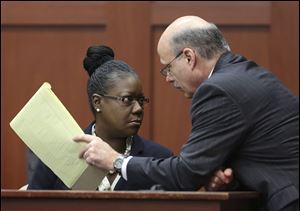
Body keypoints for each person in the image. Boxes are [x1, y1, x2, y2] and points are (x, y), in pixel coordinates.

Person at [73, 16, 299, 211]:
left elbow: (185, 175)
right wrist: (226, 179)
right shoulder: (243, 73)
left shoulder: (217, 90)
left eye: (168, 68)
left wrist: (116, 161)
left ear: (189, 57)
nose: (168, 78)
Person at [27, 44, 231, 191]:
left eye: (141, 101)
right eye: (127, 100)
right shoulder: (59, 154)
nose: (138, 109)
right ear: (98, 102)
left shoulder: (159, 157)